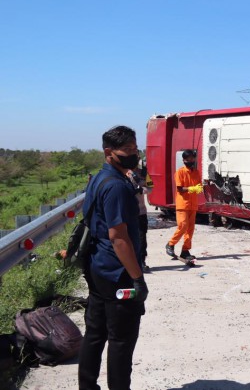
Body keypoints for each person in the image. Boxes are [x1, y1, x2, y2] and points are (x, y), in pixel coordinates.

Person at [78, 125, 149, 390]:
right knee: (121, 339)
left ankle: (87, 386)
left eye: (135, 148)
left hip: (98, 268)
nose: (134, 154)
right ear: (109, 152)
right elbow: (119, 238)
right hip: (119, 274)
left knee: (95, 333)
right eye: (127, 150)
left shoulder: (99, 178)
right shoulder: (117, 187)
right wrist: (137, 279)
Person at [166, 149, 202, 260]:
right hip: (183, 204)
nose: (190, 160)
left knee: (190, 229)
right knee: (183, 225)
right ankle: (171, 244)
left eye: (192, 158)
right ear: (184, 160)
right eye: (188, 159)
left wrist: (199, 188)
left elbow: (199, 186)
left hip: (193, 204)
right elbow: (180, 189)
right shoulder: (180, 172)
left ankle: (185, 251)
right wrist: (192, 189)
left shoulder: (196, 172)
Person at [127, 161, 152, 272]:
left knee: (142, 238)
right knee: (128, 239)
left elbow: (151, 187)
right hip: (127, 213)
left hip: (141, 212)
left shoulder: (144, 173)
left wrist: (142, 190)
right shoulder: (122, 173)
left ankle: (142, 261)